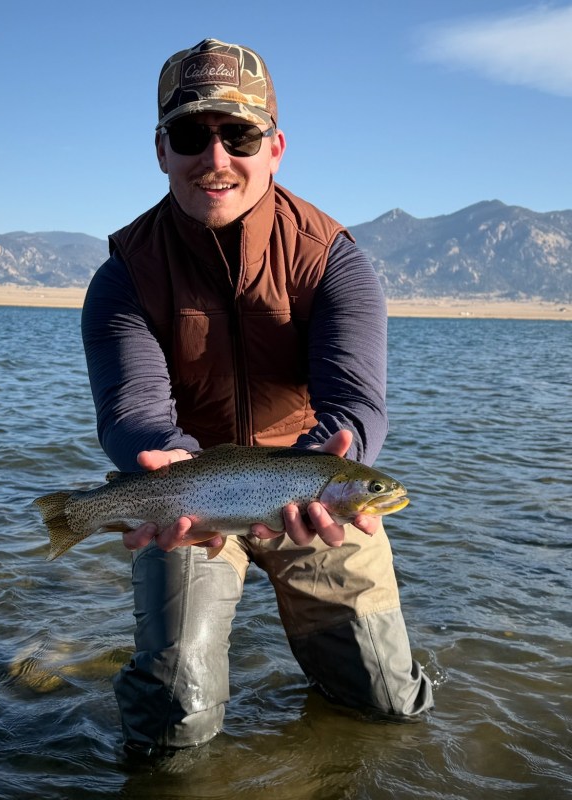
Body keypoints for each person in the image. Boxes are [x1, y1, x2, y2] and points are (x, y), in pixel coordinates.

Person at [82, 38, 433, 758]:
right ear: (161, 150)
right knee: (175, 718)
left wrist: (334, 457)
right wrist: (167, 465)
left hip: (310, 486)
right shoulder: (125, 276)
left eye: (239, 135)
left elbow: (355, 403)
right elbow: (134, 411)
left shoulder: (332, 260)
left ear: (275, 148)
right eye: (191, 135)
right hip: (190, 491)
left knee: (386, 702)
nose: (215, 157)